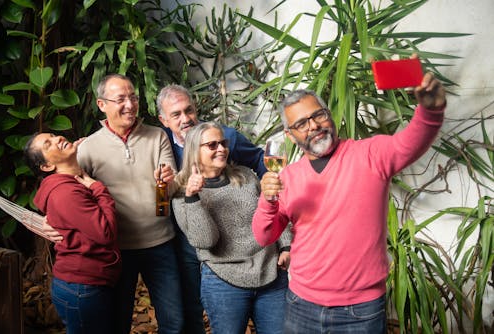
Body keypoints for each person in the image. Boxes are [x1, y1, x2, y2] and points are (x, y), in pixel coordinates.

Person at [252, 71, 447, 333]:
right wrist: (268, 200)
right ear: (290, 135)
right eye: (301, 124)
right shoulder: (289, 176)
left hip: (360, 310)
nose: (313, 126)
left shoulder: (370, 154)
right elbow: (264, 236)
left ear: (329, 114)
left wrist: (431, 112)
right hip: (301, 304)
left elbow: (410, 143)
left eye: (317, 115)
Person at [156, 84, 268, 333]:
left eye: (189, 110)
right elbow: (161, 206)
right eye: (176, 114)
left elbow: (259, 159)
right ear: (163, 120)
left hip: (231, 237)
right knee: (192, 304)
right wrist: (162, 189)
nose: (186, 119)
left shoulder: (224, 138)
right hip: (187, 234)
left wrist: (268, 191)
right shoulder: (159, 144)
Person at [76, 74, 183, 333]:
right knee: (117, 323)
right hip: (116, 248)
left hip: (160, 243)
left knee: (174, 322)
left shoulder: (157, 136)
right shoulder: (88, 147)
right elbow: (76, 197)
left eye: (133, 97)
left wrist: (167, 182)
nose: (130, 104)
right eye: (120, 99)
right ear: (102, 105)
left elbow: (167, 193)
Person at [171, 122, 291, 334]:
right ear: (194, 152)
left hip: (270, 273)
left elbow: (273, 211)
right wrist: (193, 198)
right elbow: (206, 241)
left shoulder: (245, 175)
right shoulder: (182, 194)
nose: (221, 149)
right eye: (212, 145)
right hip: (224, 281)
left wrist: (285, 246)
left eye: (223, 143)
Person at [24, 132, 121, 334]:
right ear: (46, 166)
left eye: (53, 134)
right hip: (82, 286)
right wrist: (98, 188)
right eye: (48, 144)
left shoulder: (73, 181)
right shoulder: (66, 192)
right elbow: (106, 232)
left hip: (85, 283)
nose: (58, 138)